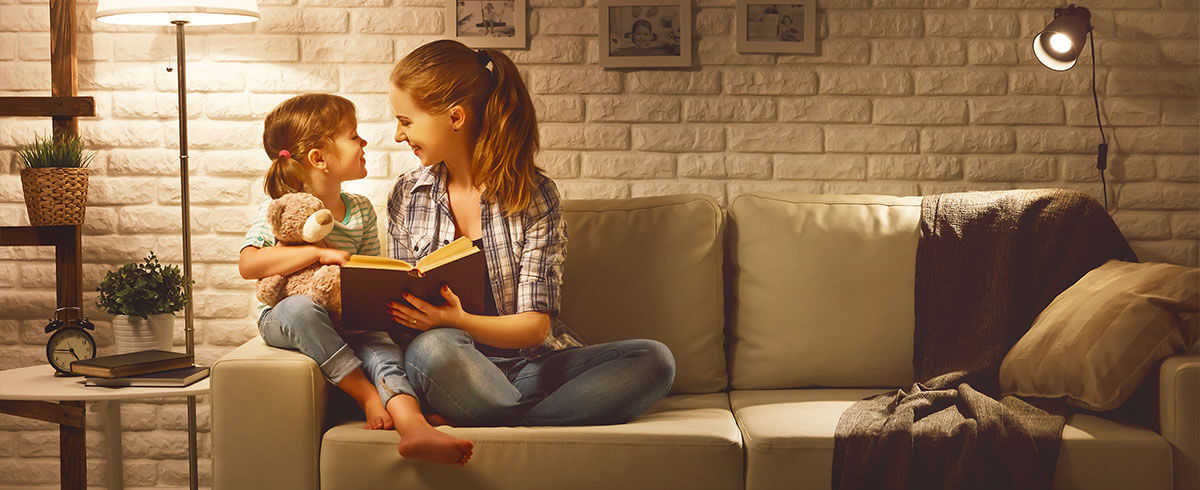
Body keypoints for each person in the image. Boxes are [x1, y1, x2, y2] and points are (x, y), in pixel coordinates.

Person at [385, 39, 676, 429]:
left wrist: (458, 318)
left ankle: (500, 416)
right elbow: (402, 310)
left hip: (528, 365)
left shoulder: (534, 196)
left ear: (455, 117)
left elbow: (534, 328)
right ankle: (525, 413)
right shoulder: (408, 194)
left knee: (653, 359)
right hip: (452, 361)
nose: (398, 135)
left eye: (406, 121)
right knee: (433, 347)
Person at [239, 93, 472, 465]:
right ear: (319, 158)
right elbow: (250, 265)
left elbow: (369, 270)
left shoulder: (360, 210)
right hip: (287, 317)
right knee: (299, 308)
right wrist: (315, 254)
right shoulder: (281, 206)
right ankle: (365, 394)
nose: (364, 142)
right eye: (353, 135)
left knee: (382, 348)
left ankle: (414, 427)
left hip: (348, 317)